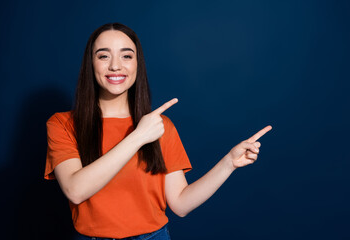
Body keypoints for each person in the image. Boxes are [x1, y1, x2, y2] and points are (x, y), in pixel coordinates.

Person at [44, 22, 272, 240]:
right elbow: (75, 190)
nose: (115, 65)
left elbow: (181, 204)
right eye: (104, 56)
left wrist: (228, 163)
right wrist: (138, 136)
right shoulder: (63, 124)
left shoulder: (160, 127)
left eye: (126, 56)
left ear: (137, 64)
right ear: (90, 64)